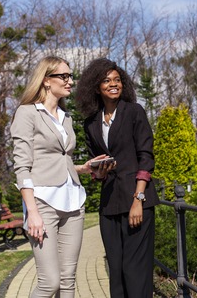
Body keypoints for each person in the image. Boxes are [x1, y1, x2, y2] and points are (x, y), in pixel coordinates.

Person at [10, 56, 113, 297]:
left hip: (73, 203)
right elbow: (23, 166)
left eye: (70, 76)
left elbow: (58, 159)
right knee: (50, 282)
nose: (70, 81)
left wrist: (83, 168)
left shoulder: (66, 117)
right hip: (43, 204)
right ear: (46, 80)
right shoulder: (27, 114)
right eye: (64, 76)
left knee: (68, 281)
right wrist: (31, 212)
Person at [75, 58, 160, 298]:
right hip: (109, 205)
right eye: (107, 81)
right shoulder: (91, 124)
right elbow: (95, 165)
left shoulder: (134, 112)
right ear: (96, 86)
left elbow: (146, 156)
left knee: (136, 271)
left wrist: (138, 199)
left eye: (117, 80)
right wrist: (98, 172)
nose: (114, 84)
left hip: (138, 202)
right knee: (117, 271)